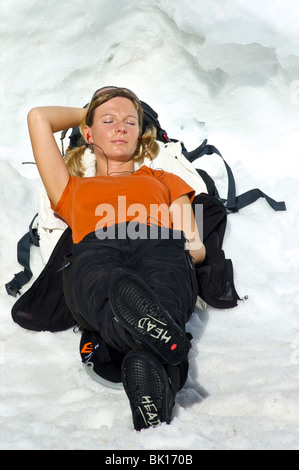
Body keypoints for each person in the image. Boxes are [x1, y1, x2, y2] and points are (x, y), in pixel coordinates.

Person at [27, 86, 206, 431]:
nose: (120, 127)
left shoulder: (165, 180)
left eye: (129, 122)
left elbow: (194, 248)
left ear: (141, 134)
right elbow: (39, 118)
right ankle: (158, 344)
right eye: (108, 121)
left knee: (161, 288)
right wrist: (89, 113)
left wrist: (103, 118)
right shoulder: (70, 187)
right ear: (88, 134)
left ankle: (144, 346)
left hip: (159, 245)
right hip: (97, 248)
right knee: (109, 282)